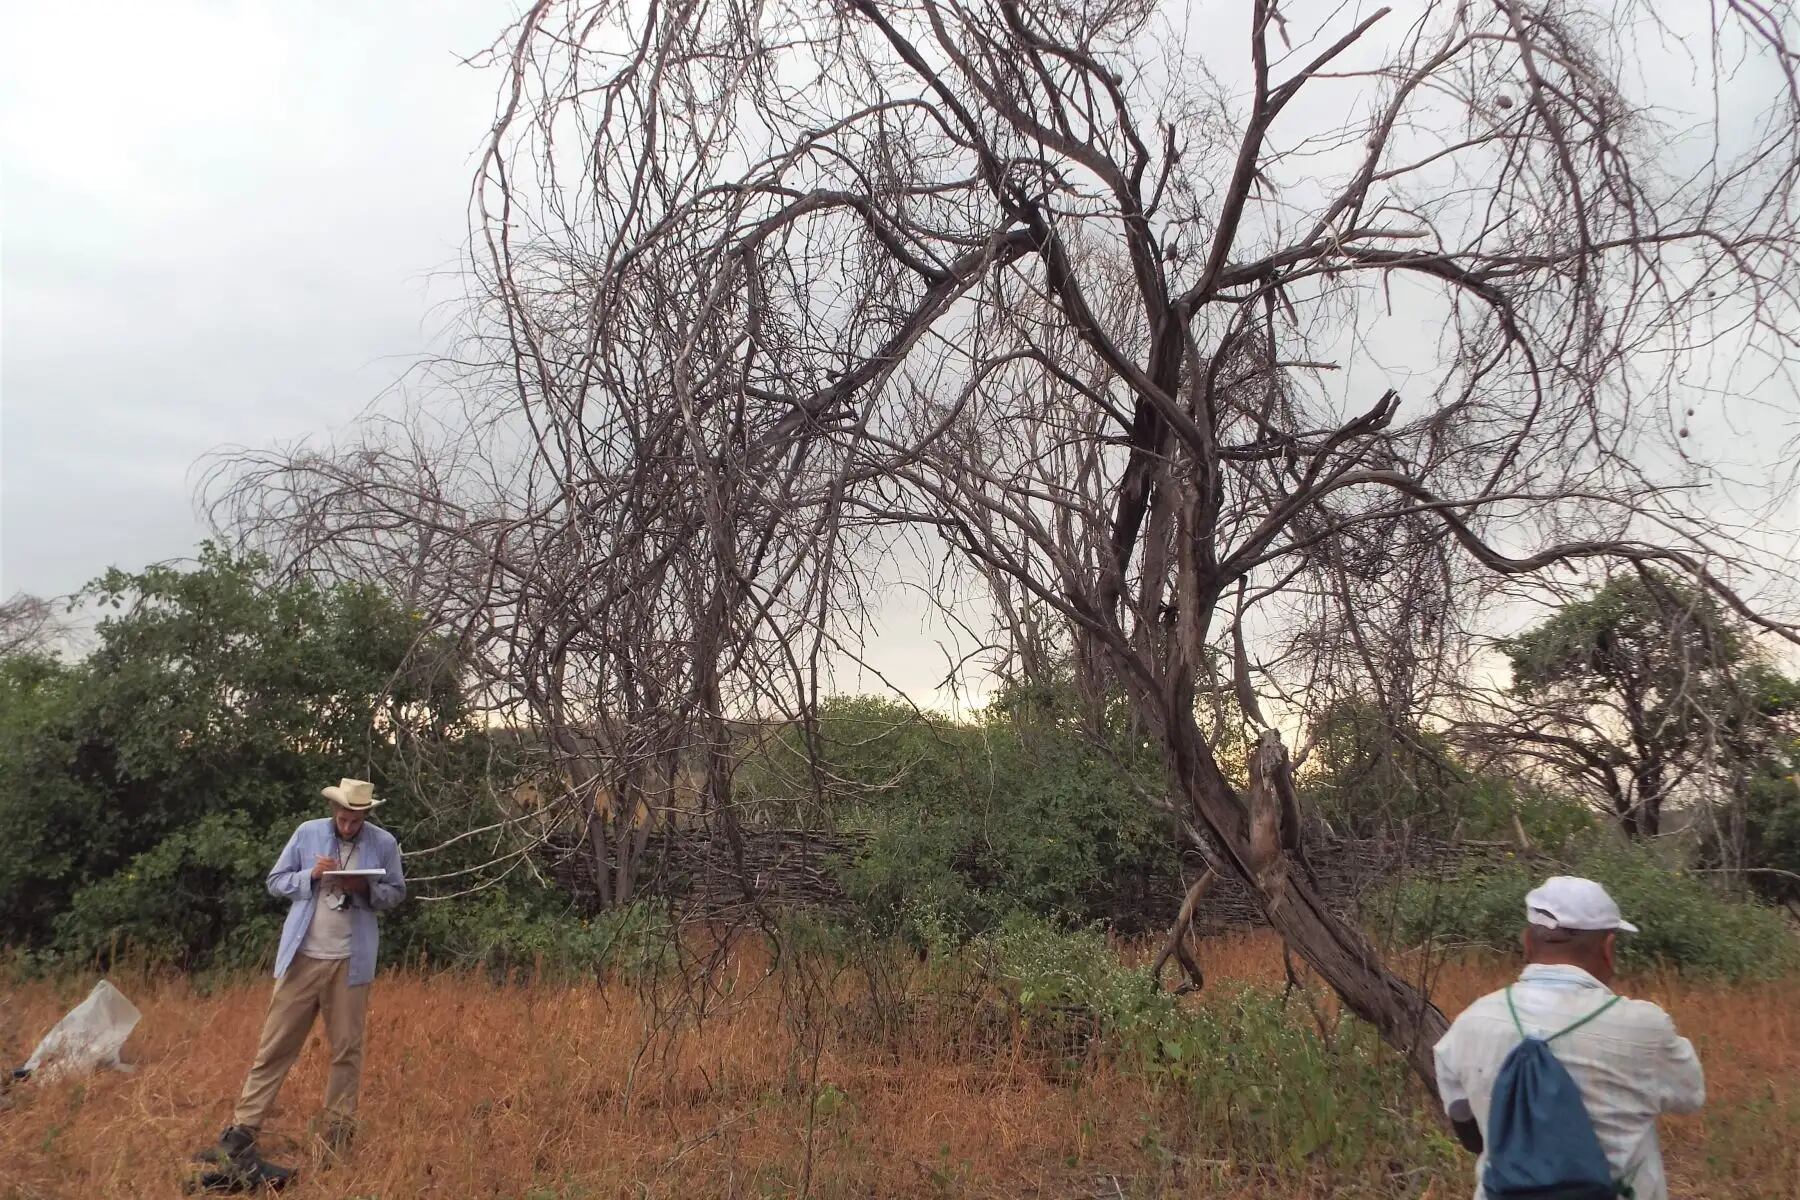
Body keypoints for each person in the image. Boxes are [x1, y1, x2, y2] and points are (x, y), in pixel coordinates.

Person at [1432, 876, 1705, 1200]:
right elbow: (1690, 1096)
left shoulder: (1470, 1023)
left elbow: (1468, 1131)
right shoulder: (1644, 1027)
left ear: (1527, 943)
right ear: (1608, 947)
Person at [206, 778, 405, 1168]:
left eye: (356, 820)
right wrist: (310, 877)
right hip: (302, 957)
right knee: (274, 1045)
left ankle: (337, 1136)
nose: (348, 826)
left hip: (351, 962)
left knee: (347, 1050)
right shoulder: (307, 833)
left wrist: (364, 888)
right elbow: (276, 882)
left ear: (366, 815)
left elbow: (396, 892)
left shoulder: (384, 843)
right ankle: (243, 1131)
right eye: (343, 819)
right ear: (334, 810)